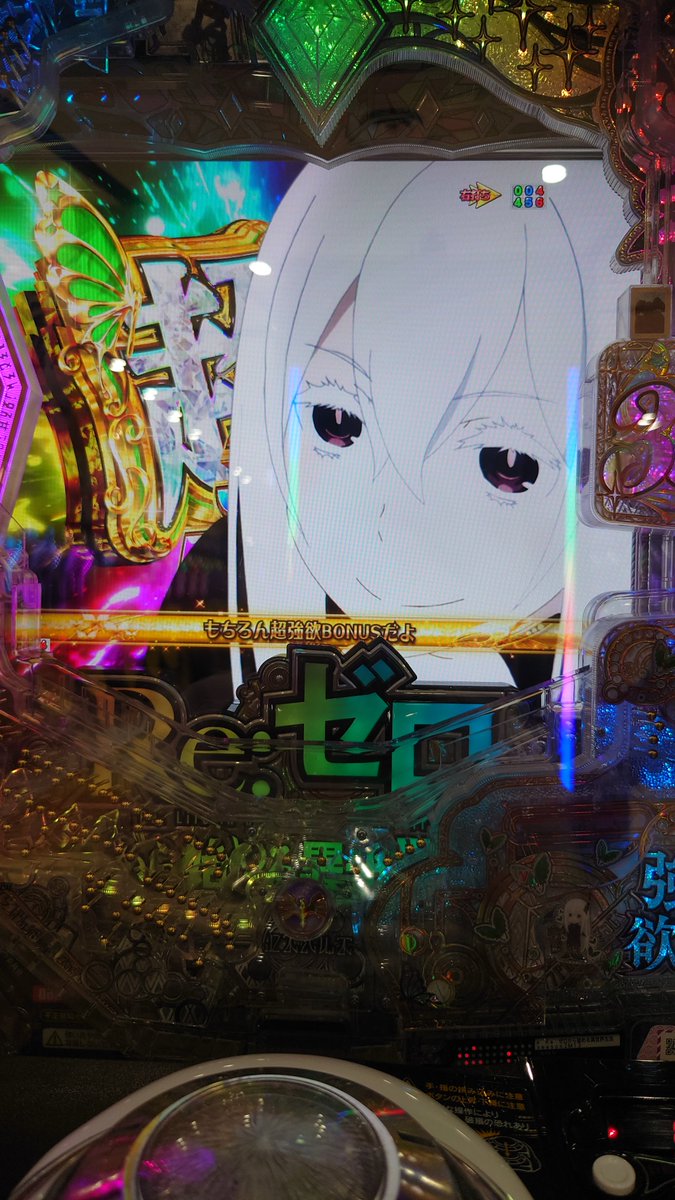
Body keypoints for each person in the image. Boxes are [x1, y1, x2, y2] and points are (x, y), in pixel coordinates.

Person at [162, 161, 632, 710]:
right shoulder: (238, 560)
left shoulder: (596, 647)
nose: (392, 519)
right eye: (336, 423)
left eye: (508, 465)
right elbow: (168, 713)